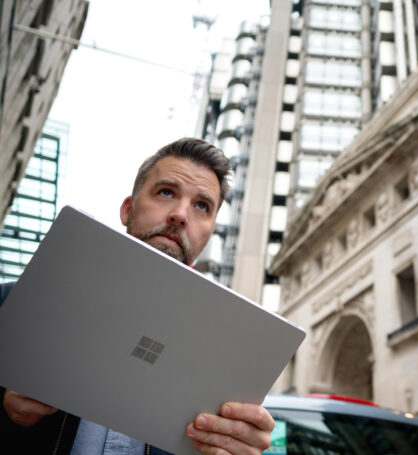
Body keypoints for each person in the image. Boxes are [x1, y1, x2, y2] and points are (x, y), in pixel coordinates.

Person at [0, 138, 274, 455]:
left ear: (209, 233)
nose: (180, 215)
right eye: (166, 192)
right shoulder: (11, 304)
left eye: (202, 206)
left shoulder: (227, 363)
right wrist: (10, 419)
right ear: (128, 209)